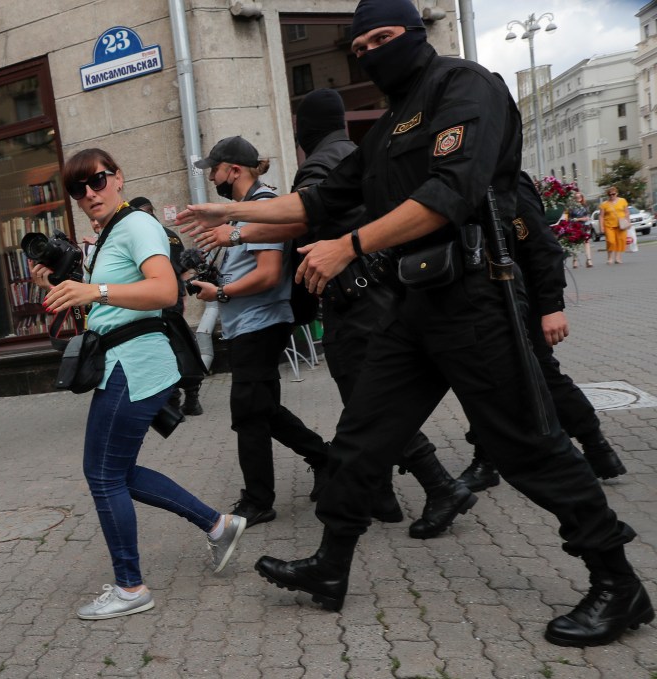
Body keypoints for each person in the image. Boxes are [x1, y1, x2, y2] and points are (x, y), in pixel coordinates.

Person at [177, 0, 651, 647]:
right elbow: (319, 200)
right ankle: (330, 565)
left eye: (383, 37)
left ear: (415, 34)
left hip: (476, 298)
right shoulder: (391, 125)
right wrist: (229, 217)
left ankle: (617, 582)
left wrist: (351, 246)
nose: (371, 51)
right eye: (360, 44)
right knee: (363, 434)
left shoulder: (466, 87)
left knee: (525, 445)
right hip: (413, 304)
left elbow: (450, 193)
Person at [189, 94, 476, 539]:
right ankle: (378, 495)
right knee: (361, 406)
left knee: (368, 407)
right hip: (369, 296)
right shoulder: (352, 153)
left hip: (354, 300)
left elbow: (303, 220)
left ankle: (437, 485)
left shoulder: (324, 164)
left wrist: (234, 226)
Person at [30, 148, 245, 621]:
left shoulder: (137, 226)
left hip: (135, 364)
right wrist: (59, 288)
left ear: (119, 177)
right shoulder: (110, 235)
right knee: (117, 472)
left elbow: (165, 291)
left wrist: (95, 289)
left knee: (103, 474)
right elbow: (107, 305)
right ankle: (217, 524)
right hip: (122, 362)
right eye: (78, 189)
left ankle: (131, 587)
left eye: (98, 181)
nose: (89, 194)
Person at [187, 136, 329, 528]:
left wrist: (221, 293)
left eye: (214, 169)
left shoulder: (262, 208)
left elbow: (267, 275)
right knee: (262, 407)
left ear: (234, 170)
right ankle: (325, 459)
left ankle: (258, 499)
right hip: (250, 324)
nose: (212, 177)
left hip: (261, 323)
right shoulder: (246, 211)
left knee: (248, 413)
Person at [458, 173, 627, 490]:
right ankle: (486, 458)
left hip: (521, 301)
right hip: (485, 299)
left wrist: (551, 306)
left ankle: (596, 445)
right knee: (486, 380)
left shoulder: (504, 180)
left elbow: (542, 247)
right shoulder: (466, 175)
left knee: (543, 376)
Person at [128, 196, 203, 416]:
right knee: (184, 344)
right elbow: (184, 269)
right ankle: (192, 398)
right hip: (174, 300)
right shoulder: (169, 235)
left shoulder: (141, 236)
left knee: (164, 349)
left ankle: (172, 401)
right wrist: (182, 297)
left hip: (155, 301)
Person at [599, 186, 629, 265]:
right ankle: (609, 258)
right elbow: (601, 216)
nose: (612, 196)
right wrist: (601, 226)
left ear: (617, 193)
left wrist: (628, 222)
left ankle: (618, 258)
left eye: (613, 194)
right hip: (609, 225)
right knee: (611, 241)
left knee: (620, 241)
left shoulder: (623, 201)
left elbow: (626, 212)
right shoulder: (604, 204)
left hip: (621, 225)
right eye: (610, 194)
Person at [568, 191, 593, 268]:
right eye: (577, 197)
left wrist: (578, 219)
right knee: (575, 243)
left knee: (587, 242)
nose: (578, 198)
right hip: (575, 226)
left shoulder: (585, 206)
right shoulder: (571, 207)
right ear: (574, 198)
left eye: (580, 197)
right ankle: (575, 260)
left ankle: (589, 260)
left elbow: (588, 217)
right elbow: (569, 218)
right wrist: (578, 220)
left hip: (585, 226)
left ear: (582, 197)